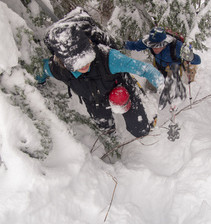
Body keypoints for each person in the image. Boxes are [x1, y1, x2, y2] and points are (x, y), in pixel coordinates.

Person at [36, 15, 170, 154]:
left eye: (86, 58)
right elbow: (39, 70)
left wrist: (162, 86)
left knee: (140, 130)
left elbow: (145, 69)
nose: (84, 65)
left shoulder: (108, 57)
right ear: (63, 62)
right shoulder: (58, 68)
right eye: (77, 64)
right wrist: (39, 82)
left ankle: (136, 100)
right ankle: (114, 142)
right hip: (93, 99)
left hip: (118, 87)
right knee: (106, 129)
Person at [124, 27, 201, 78]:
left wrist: (192, 57)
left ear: (165, 43)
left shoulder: (177, 46)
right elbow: (134, 45)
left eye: (158, 45)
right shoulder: (148, 42)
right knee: (151, 86)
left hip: (174, 68)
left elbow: (198, 60)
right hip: (159, 65)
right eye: (152, 45)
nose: (155, 48)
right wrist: (120, 44)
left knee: (171, 88)